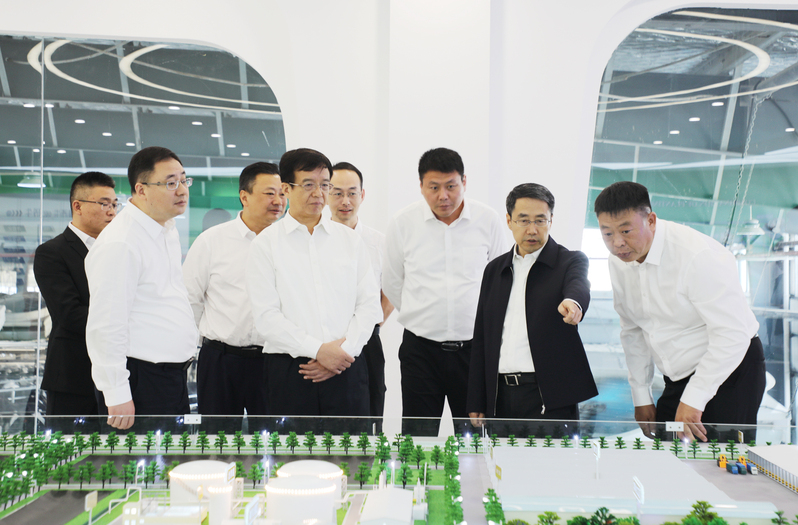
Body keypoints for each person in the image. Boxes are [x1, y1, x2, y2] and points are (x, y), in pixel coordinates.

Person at [594, 181, 765, 442]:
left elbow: (732, 334)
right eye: (607, 234)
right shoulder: (618, 261)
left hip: (731, 370)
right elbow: (633, 330)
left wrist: (694, 399)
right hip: (676, 377)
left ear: (651, 220)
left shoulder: (697, 255)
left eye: (626, 231)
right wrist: (641, 395)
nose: (617, 243)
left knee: (719, 461)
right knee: (668, 453)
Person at [246, 148, 382, 431]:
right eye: (308, 184)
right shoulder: (265, 244)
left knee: (352, 452)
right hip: (291, 370)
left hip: (347, 366)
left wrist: (340, 354)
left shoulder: (350, 241)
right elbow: (266, 317)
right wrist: (319, 350)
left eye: (324, 185)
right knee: (293, 453)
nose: (319, 193)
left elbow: (369, 305)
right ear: (286, 188)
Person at [383, 147, 507, 435]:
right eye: (434, 187)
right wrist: (424, 313)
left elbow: (500, 282)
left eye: (451, 186)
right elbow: (392, 282)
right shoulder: (403, 223)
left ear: (464, 182)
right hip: (421, 351)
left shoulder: (487, 220)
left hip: (474, 352)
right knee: (417, 437)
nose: (443, 196)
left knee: (474, 437)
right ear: (421, 186)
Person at [466, 183, 597, 436]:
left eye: (540, 220)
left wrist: (573, 303)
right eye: (524, 220)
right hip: (500, 396)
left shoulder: (570, 261)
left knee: (551, 460)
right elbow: (482, 336)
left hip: (549, 396)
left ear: (551, 221)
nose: (532, 229)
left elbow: (579, 286)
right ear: (509, 221)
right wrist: (476, 399)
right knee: (500, 461)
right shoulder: (494, 269)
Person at [85, 146, 198, 431]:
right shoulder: (122, 242)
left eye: (184, 180)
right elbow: (106, 324)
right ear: (141, 189)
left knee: (174, 454)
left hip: (170, 377)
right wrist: (117, 394)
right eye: (170, 183)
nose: (182, 190)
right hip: (140, 379)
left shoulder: (166, 230)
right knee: (141, 458)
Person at [183, 162, 285, 432]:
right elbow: (190, 301)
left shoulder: (290, 244)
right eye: (270, 193)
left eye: (283, 193)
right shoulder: (212, 241)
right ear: (244, 196)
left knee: (273, 441)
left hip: (273, 360)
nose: (278, 201)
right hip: (221, 361)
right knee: (217, 440)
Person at [34, 172, 118, 432]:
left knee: (115, 452)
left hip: (116, 378)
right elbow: (70, 314)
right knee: (70, 453)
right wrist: (124, 323)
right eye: (103, 203)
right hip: (73, 376)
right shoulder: (52, 252)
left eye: (115, 204)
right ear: (77, 206)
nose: (111, 211)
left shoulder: (116, 250)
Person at [328, 162, 394, 424]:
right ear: (326, 194)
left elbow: (392, 288)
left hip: (368, 343)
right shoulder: (314, 239)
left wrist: (372, 324)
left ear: (362, 195)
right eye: (337, 193)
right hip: (328, 341)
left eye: (352, 193)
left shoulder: (380, 242)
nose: (345, 201)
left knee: (371, 409)